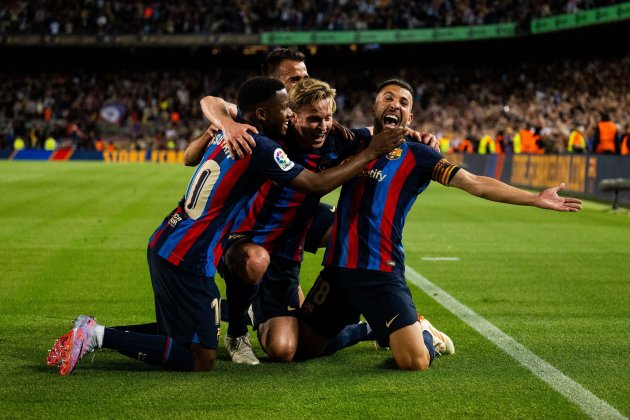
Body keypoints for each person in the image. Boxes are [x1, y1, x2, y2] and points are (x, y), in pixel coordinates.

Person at [46, 76, 406, 376]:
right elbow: (314, 184)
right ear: (264, 113)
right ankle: (95, 335)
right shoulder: (260, 144)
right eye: (287, 110)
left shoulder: (231, 132)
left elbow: (202, 142)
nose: (290, 115)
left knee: (183, 332)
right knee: (200, 357)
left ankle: (97, 332)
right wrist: (370, 154)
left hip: (168, 239)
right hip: (191, 255)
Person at [296, 79, 583, 371]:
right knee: (301, 348)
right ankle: (369, 329)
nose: (395, 104)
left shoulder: (420, 154)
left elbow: (475, 184)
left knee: (413, 361)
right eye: (388, 98)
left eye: (404, 102)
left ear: (411, 118)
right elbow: (316, 121)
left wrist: (534, 198)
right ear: (374, 108)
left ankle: (426, 335)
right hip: (338, 269)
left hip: (379, 272)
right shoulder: (354, 143)